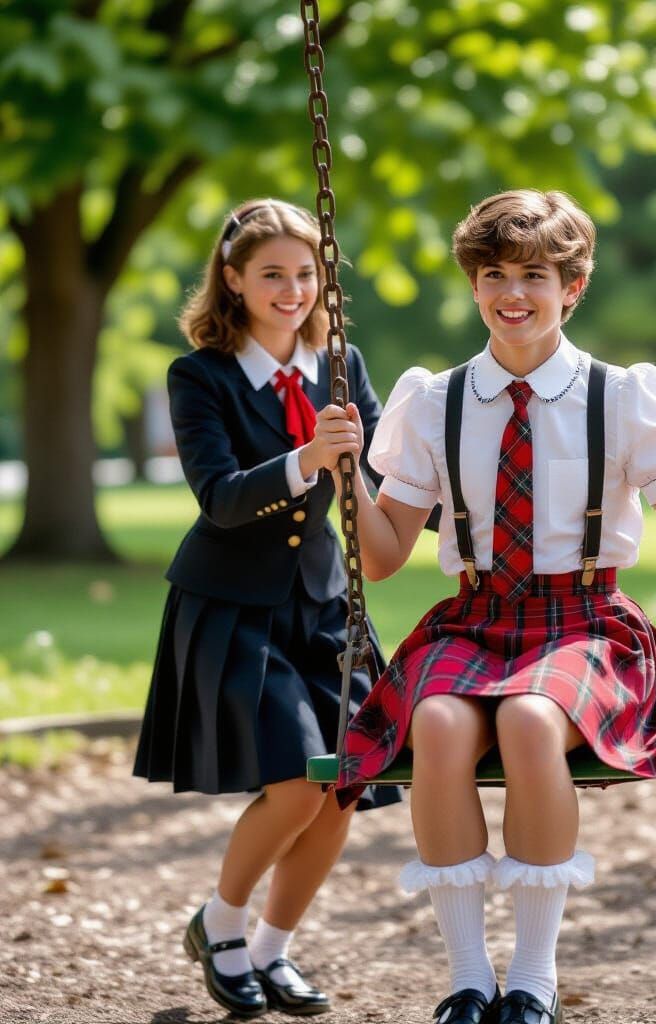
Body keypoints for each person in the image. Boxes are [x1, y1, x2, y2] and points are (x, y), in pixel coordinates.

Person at [315, 189, 656, 1024]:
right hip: (475, 619)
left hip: (584, 623)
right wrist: (346, 476)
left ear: (573, 287)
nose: (514, 292)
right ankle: (470, 979)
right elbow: (384, 553)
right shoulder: (432, 401)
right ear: (474, 286)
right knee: (437, 724)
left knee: (529, 722)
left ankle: (536, 981)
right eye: (496, 274)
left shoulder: (622, 397)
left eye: (536, 275)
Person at [132, 199, 404, 1019]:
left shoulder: (342, 365)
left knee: (345, 786)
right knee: (295, 784)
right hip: (233, 603)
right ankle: (219, 925)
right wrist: (306, 459)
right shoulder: (201, 377)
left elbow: (389, 474)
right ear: (234, 280)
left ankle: (271, 950)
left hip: (325, 605)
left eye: (306, 274)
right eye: (272, 275)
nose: (292, 290)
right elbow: (218, 498)